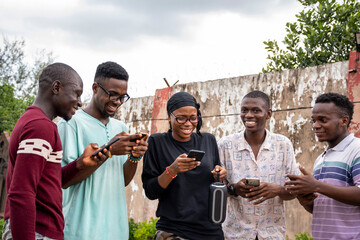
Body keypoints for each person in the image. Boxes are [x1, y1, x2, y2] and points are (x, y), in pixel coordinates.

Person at [3, 63, 103, 240]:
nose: (80, 102)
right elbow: (21, 192)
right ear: (57, 87)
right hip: (36, 231)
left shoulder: (32, 121)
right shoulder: (40, 127)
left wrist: (80, 164)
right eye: (77, 93)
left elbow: (46, 183)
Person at [57, 61, 148, 240]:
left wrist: (134, 157)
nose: (118, 102)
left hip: (116, 230)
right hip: (80, 229)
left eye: (123, 96)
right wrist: (109, 151)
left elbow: (121, 180)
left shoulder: (120, 127)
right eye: (113, 94)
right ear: (95, 88)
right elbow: (63, 180)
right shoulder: (71, 123)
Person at [142, 91, 227, 240]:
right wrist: (172, 170)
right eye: (181, 118)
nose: (188, 124)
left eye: (193, 118)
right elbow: (151, 191)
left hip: (210, 231)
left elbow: (216, 180)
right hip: (174, 230)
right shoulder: (157, 142)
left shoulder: (208, 140)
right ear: (169, 116)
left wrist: (219, 174)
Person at [218, 90, 299, 240]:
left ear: (268, 114)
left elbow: (294, 191)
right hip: (235, 234)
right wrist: (234, 188)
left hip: (272, 234)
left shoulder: (283, 145)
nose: (248, 115)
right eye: (244, 110)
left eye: (256, 110)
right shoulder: (225, 145)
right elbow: (215, 190)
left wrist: (277, 190)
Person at [285, 92, 360, 240]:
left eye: (323, 120)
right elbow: (323, 209)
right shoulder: (321, 158)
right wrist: (305, 200)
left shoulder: (357, 149)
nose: (315, 126)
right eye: (314, 120)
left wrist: (316, 186)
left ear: (344, 120)